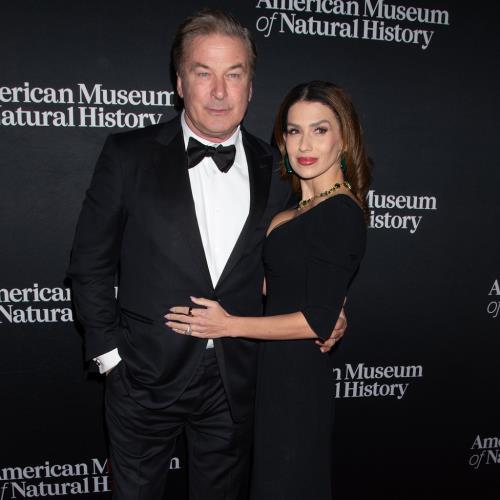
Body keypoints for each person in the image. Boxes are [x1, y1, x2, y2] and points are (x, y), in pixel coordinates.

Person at [68, 10, 346, 500]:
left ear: (250, 87)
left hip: (236, 381)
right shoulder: (128, 155)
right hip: (143, 376)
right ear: (180, 83)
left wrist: (332, 309)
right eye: (203, 73)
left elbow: (300, 258)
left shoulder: (277, 168)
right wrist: (111, 360)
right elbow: (90, 262)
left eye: (233, 75)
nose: (219, 92)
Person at [166, 80, 371, 500]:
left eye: (320, 130)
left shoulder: (340, 213)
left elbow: (316, 320)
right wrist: (337, 303)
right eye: (294, 131)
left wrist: (227, 325)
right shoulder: (292, 209)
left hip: (298, 381)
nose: (305, 144)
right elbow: (287, 288)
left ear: (343, 138)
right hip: (269, 375)